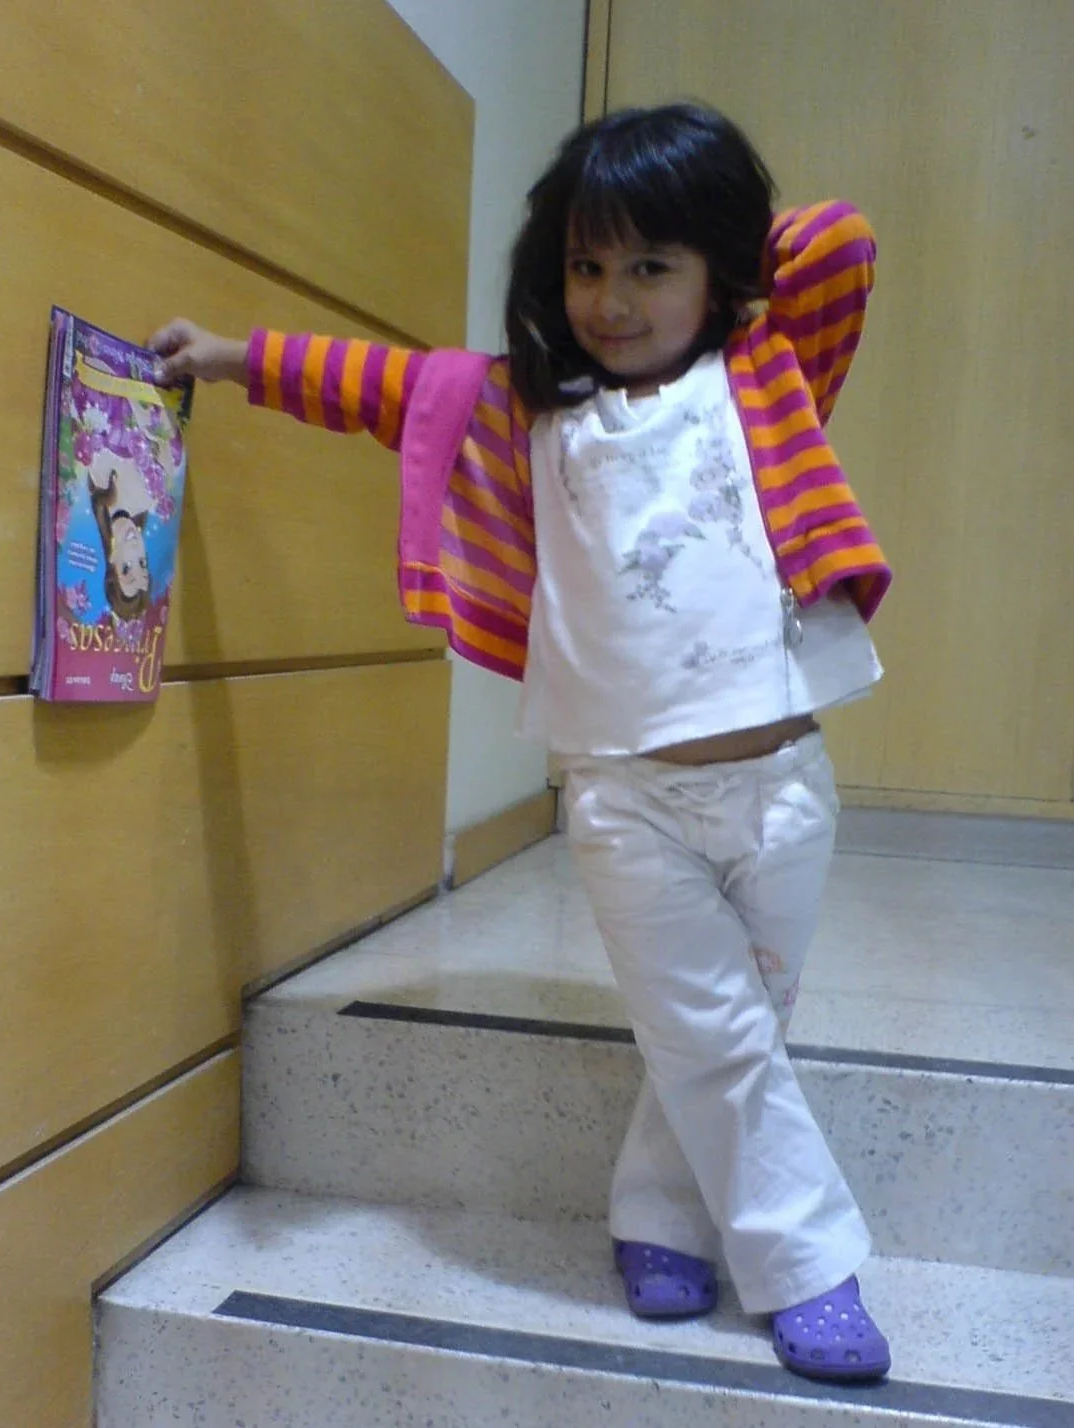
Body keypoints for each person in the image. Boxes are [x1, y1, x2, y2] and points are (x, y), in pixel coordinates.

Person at [151, 101, 893, 1384]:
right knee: (716, 1033)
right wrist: (227, 357)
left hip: (784, 791)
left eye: (651, 265)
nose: (613, 299)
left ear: (721, 275)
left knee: (729, 1031)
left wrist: (699, 224)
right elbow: (372, 387)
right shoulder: (525, 414)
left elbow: (840, 244)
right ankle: (809, 1267)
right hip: (626, 805)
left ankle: (658, 1222)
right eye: (586, 265)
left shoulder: (764, 375)